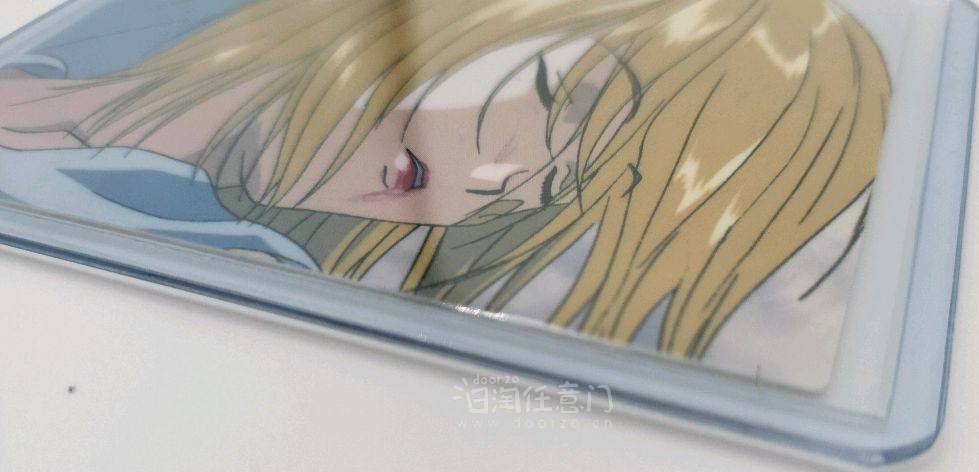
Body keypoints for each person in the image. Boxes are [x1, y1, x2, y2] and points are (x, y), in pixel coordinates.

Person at [0, 0, 891, 385]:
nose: (500, 180)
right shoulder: (120, 28)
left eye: (560, 186)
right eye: (567, 103)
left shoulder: (248, 263)